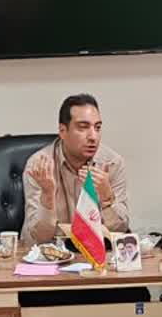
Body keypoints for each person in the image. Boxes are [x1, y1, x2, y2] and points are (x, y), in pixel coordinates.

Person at [22, 92, 131, 245]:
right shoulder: (40, 166)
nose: (93, 136)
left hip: (96, 253)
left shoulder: (112, 163)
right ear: (62, 131)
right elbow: (38, 237)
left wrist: (107, 198)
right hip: (51, 253)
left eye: (97, 128)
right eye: (83, 128)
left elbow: (120, 231)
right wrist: (47, 196)